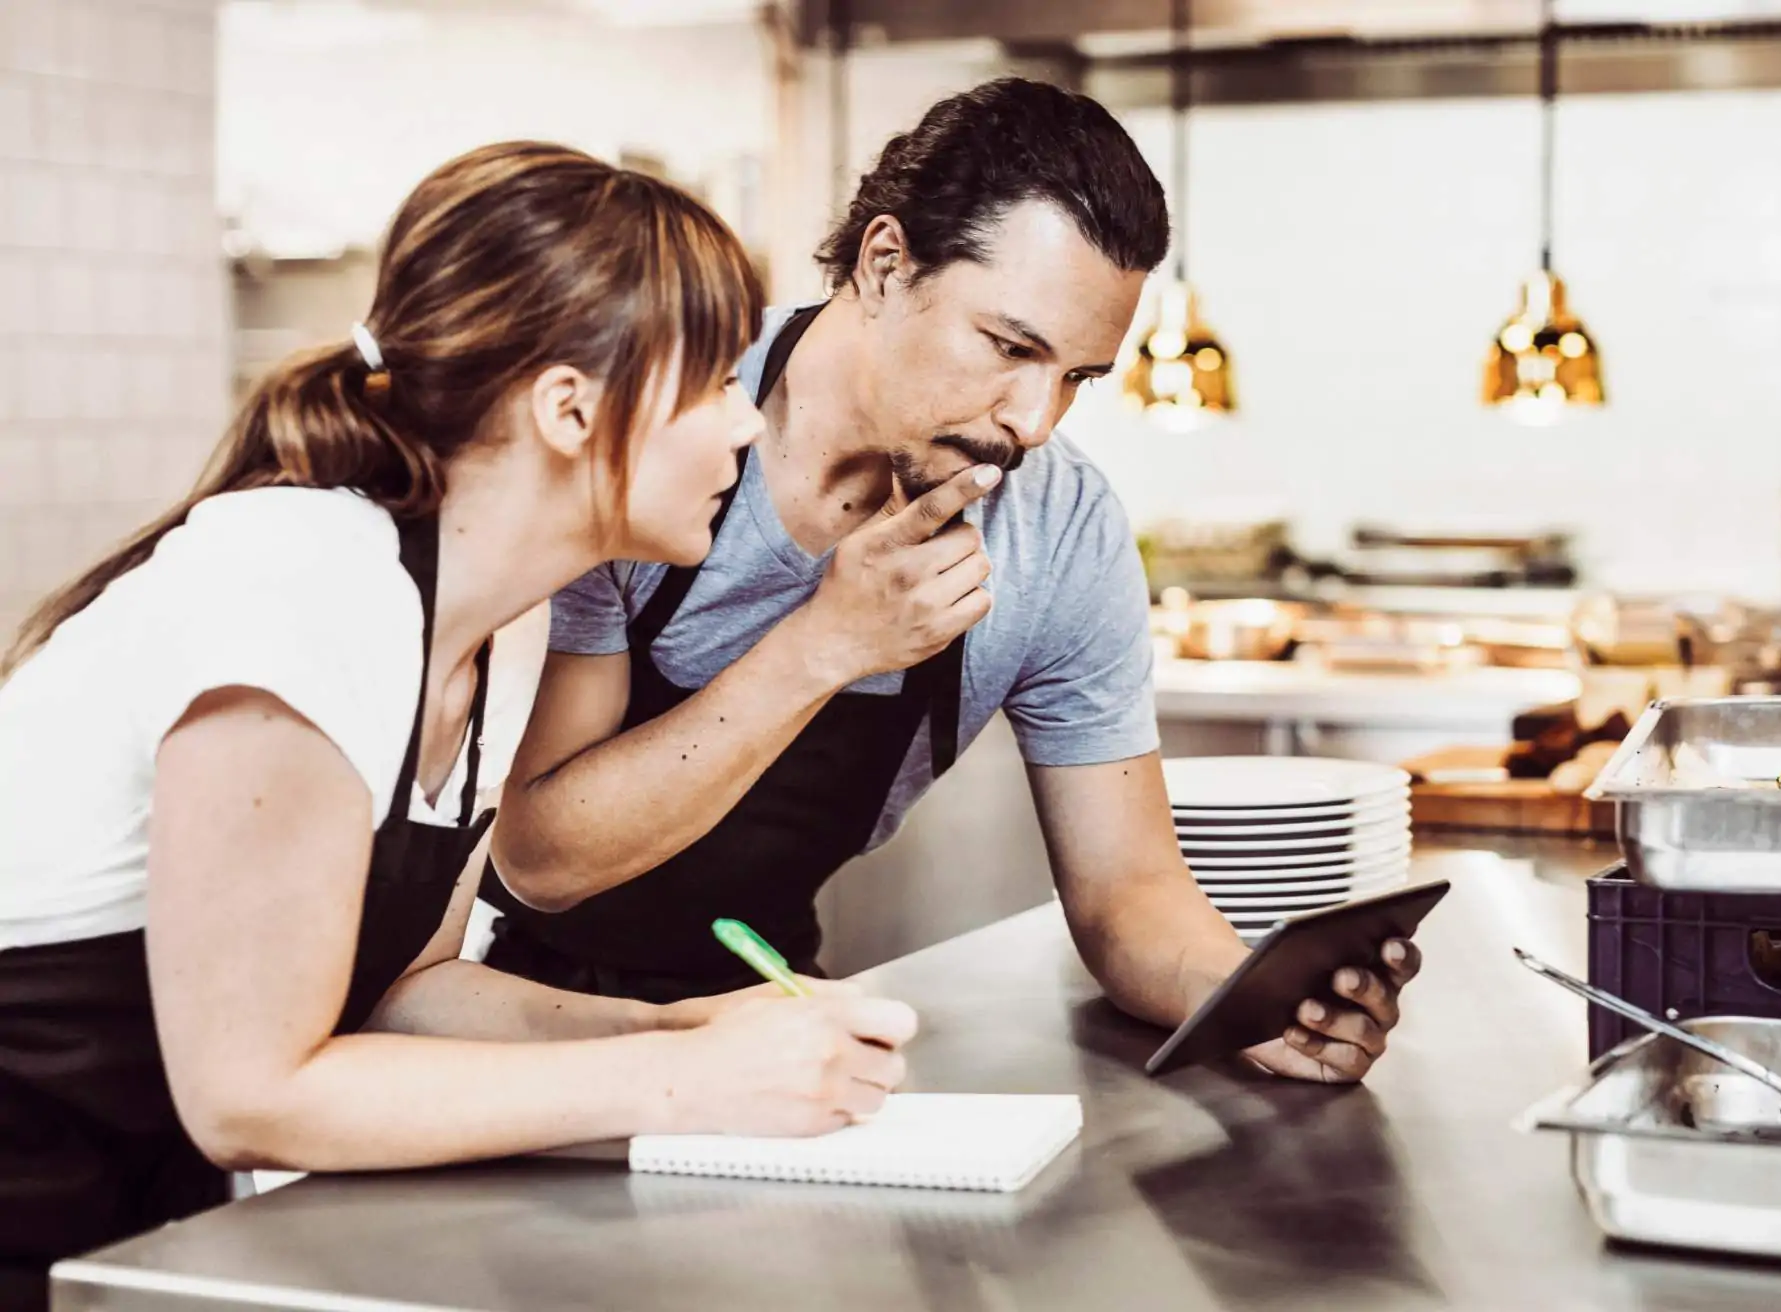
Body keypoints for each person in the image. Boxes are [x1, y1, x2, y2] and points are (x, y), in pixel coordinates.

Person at [0, 143, 916, 1309]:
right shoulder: (304, 586)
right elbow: (248, 1095)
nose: (743, 427)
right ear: (570, 408)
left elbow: (408, 987)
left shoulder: (503, 626)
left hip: (117, 1224)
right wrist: (679, 1077)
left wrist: (675, 1019)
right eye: (708, 389)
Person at [485, 80, 1422, 1085]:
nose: (1034, 420)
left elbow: (1127, 888)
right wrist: (829, 643)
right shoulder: (669, 420)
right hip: (515, 1024)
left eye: (1076, 377)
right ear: (885, 264)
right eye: (1010, 347)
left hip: (778, 1032)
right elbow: (539, 861)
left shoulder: (1060, 532)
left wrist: (1245, 996)